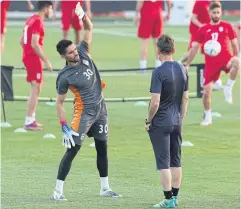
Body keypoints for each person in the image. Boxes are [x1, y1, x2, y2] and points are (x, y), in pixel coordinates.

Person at [51, 2, 120, 200]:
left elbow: (89, 29)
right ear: (64, 57)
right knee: (73, 150)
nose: (76, 53)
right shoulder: (65, 76)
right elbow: (59, 102)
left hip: (101, 110)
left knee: (102, 148)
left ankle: (105, 188)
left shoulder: (83, 51)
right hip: (83, 114)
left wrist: (83, 16)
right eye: (71, 52)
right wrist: (64, 125)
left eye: (75, 49)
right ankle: (57, 191)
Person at [145, 34, 188, 208]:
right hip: (177, 120)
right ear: (173, 50)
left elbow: (155, 102)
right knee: (176, 161)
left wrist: (148, 120)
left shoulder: (158, 72)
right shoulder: (182, 69)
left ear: (158, 50)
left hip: (161, 122)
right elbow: (185, 99)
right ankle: (175, 198)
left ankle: (168, 199)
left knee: (164, 162)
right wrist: (180, 117)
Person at [185, 2, 240, 126]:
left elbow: (235, 44)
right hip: (211, 64)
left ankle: (228, 88)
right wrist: (188, 63)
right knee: (206, 93)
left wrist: (235, 55)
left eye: (218, 12)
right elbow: (194, 48)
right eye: (214, 12)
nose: (216, 15)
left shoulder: (227, 26)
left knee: (237, 62)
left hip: (226, 60)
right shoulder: (203, 29)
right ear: (209, 13)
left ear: (221, 13)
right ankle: (208, 117)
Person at [20, 1, 53, 130]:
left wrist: (26, 54)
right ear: (45, 9)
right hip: (33, 58)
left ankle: (31, 119)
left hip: (28, 57)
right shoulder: (38, 21)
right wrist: (45, 60)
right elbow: (34, 43)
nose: (51, 11)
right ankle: (29, 121)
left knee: (37, 88)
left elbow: (22, 40)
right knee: (35, 88)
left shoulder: (30, 19)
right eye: (50, 8)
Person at [179, 0, 223, 91]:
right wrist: (202, 26)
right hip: (198, 30)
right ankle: (180, 64)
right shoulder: (199, 2)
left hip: (210, 32)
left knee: (212, 54)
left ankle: (215, 81)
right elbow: (193, 18)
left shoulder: (217, 3)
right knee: (192, 52)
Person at [134, 0, 171, 71]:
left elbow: (140, 2)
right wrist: (169, 12)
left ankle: (143, 67)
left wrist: (137, 14)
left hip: (146, 14)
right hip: (158, 14)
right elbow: (168, 1)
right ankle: (159, 65)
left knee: (145, 42)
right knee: (158, 42)